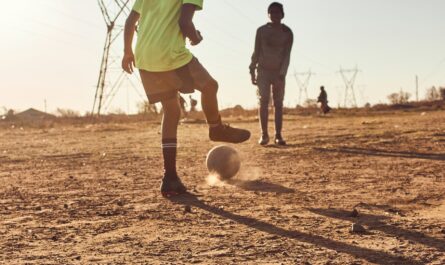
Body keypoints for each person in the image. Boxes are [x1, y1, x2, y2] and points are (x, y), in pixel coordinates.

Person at [122, 0, 250, 197]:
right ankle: (216, 128)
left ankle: (170, 177)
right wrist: (195, 36)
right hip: (170, 54)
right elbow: (184, 22)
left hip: (145, 57)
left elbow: (131, 20)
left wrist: (127, 51)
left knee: (171, 111)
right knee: (209, 86)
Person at [249, 2, 293, 146]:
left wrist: (282, 74)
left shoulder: (287, 33)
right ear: (268, 14)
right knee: (263, 101)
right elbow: (256, 51)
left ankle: (278, 135)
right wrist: (252, 69)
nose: (274, 15)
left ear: (282, 14)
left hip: (278, 72)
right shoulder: (261, 31)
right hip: (263, 71)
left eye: (277, 12)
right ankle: (264, 135)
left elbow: (287, 56)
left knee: (278, 103)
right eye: (271, 12)